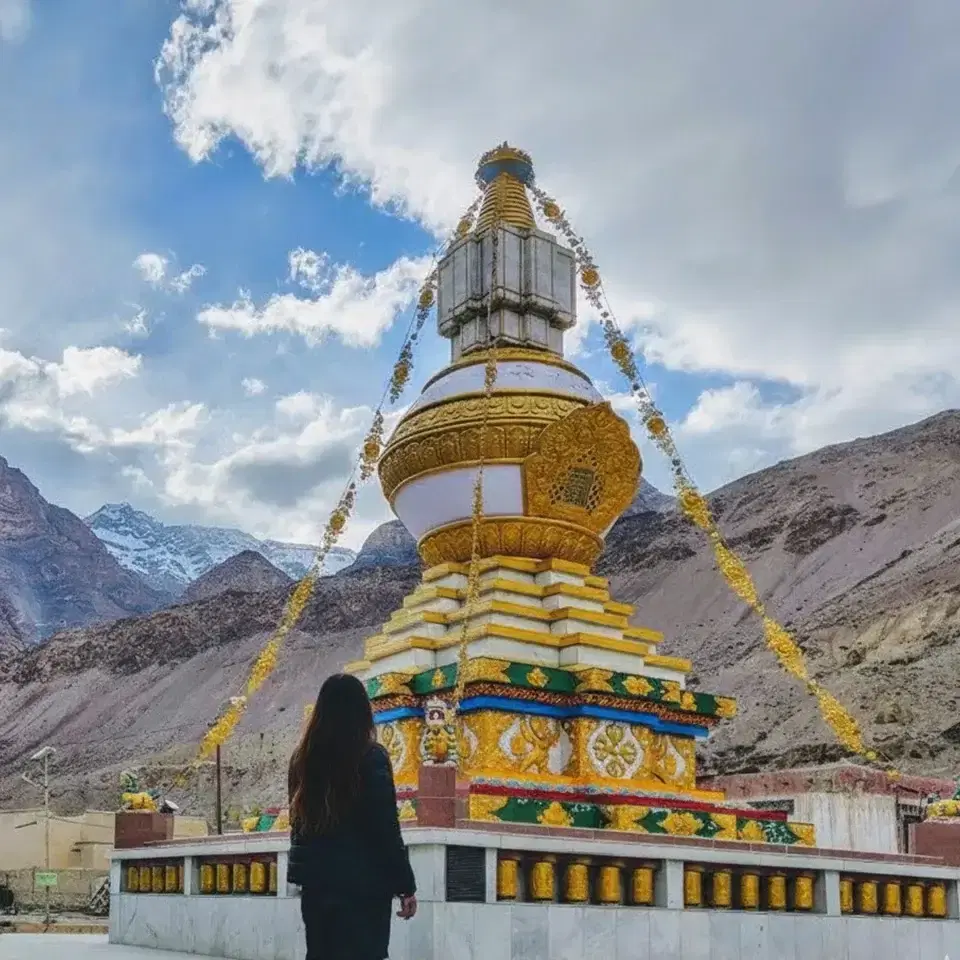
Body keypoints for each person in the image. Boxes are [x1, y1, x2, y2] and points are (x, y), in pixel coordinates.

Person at [288, 673, 417, 960]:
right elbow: (385, 828)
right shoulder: (370, 757)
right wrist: (405, 886)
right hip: (364, 889)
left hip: (317, 888)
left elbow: (298, 826)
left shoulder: (302, 759)